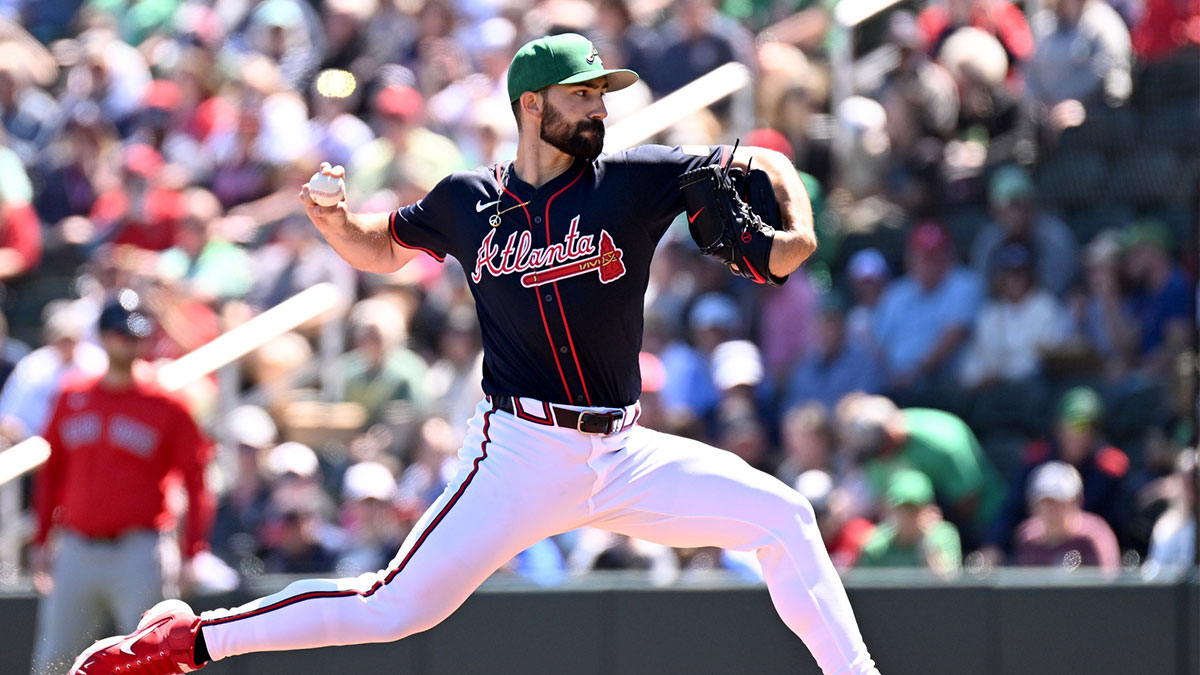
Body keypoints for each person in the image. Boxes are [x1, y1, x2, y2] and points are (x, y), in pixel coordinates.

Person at [71, 34, 878, 675]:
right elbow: (380, 248)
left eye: (603, 93)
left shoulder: (633, 179)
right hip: (520, 452)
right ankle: (189, 639)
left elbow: (762, 161)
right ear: (533, 105)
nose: (599, 107)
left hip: (625, 451)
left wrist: (798, 225)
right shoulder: (468, 202)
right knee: (391, 608)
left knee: (785, 516)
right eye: (582, 93)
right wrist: (334, 220)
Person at [29, 291, 214, 674]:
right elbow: (52, 473)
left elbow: (196, 480)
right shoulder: (72, 395)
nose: (127, 343)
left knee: (153, 663)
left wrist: (192, 550)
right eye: (119, 334)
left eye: (134, 336)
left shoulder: (167, 402)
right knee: (51, 664)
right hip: (77, 548)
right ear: (103, 336)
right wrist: (42, 538)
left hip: (140, 550)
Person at [984, 387, 1136, 558]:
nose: (1083, 433)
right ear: (1058, 427)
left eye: (1090, 426)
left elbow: (1120, 525)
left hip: (1092, 558)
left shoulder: (1111, 467)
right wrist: (994, 545)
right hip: (1042, 552)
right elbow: (1012, 509)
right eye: (1076, 424)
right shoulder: (1037, 459)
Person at [1012, 461, 1120, 573]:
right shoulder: (1028, 539)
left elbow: (1107, 584)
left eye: (1059, 502)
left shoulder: (1093, 537)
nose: (1052, 509)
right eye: (1045, 502)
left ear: (1075, 502)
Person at [857, 470, 963, 576]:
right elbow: (868, 589)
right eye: (903, 508)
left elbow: (947, 583)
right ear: (892, 509)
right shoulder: (876, 546)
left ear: (928, 509)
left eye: (915, 509)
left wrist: (925, 543)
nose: (908, 516)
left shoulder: (943, 538)